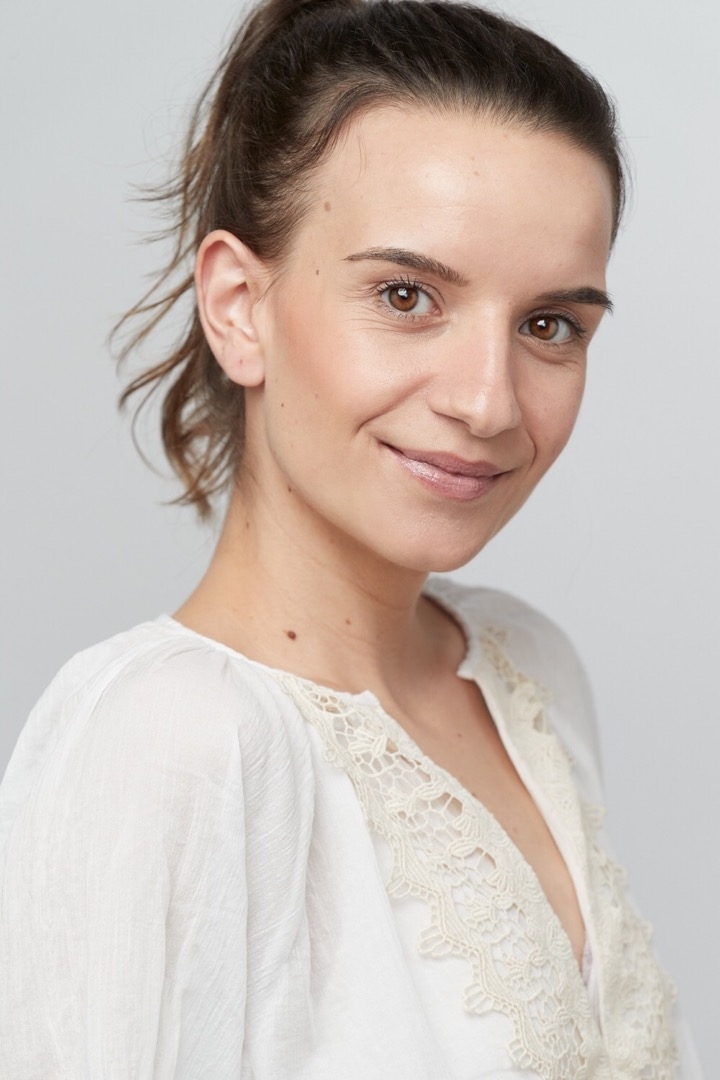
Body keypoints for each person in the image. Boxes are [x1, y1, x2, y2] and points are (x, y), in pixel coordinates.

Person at [0, 0, 704, 1076]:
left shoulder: (530, 672)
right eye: (407, 296)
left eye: (549, 325)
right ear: (239, 306)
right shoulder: (170, 743)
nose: (487, 402)